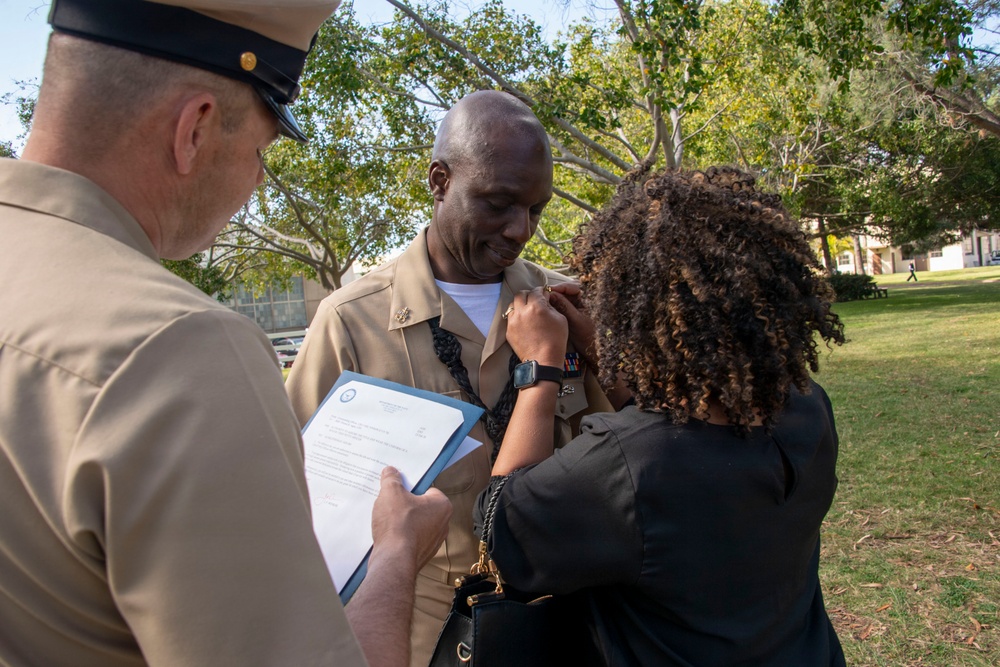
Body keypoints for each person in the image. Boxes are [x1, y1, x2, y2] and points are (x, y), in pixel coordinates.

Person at [0, 1, 451, 666]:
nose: (259, 178)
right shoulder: (177, 351)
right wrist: (395, 553)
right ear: (195, 130)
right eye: (263, 149)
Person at [286, 89, 613, 666]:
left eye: (536, 209)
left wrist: (599, 354)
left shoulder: (569, 308)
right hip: (421, 634)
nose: (519, 230)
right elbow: (298, 499)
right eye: (498, 203)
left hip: (564, 623)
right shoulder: (351, 322)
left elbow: (621, 452)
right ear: (439, 180)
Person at [477, 166, 848, 666]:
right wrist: (603, 355)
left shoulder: (628, 465)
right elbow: (692, 440)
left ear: (637, 311)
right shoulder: (807, 407)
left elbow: (501, 525)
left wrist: (540, 367)